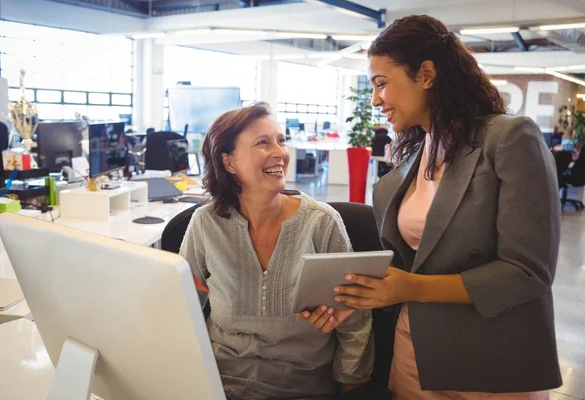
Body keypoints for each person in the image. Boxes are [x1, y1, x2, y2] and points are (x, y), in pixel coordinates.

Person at [304, 15, 561, 399]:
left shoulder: (508, 139)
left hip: (487, 357)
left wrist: (415, 288)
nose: (375, 100)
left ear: (425, 74)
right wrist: (358, 301)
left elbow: (528, 272)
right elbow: (410, 266)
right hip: (416, 350)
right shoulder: (408, 163)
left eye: (381, 83)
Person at [179, 102, 374, 400]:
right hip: (219, 383)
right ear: (228, 162)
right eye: (262, 143)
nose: (280, 152)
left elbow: (354, 315)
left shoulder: (320, 222)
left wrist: (351, 384)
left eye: (280, 141)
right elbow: (182, 305)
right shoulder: (206, 223)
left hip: (302, 387)